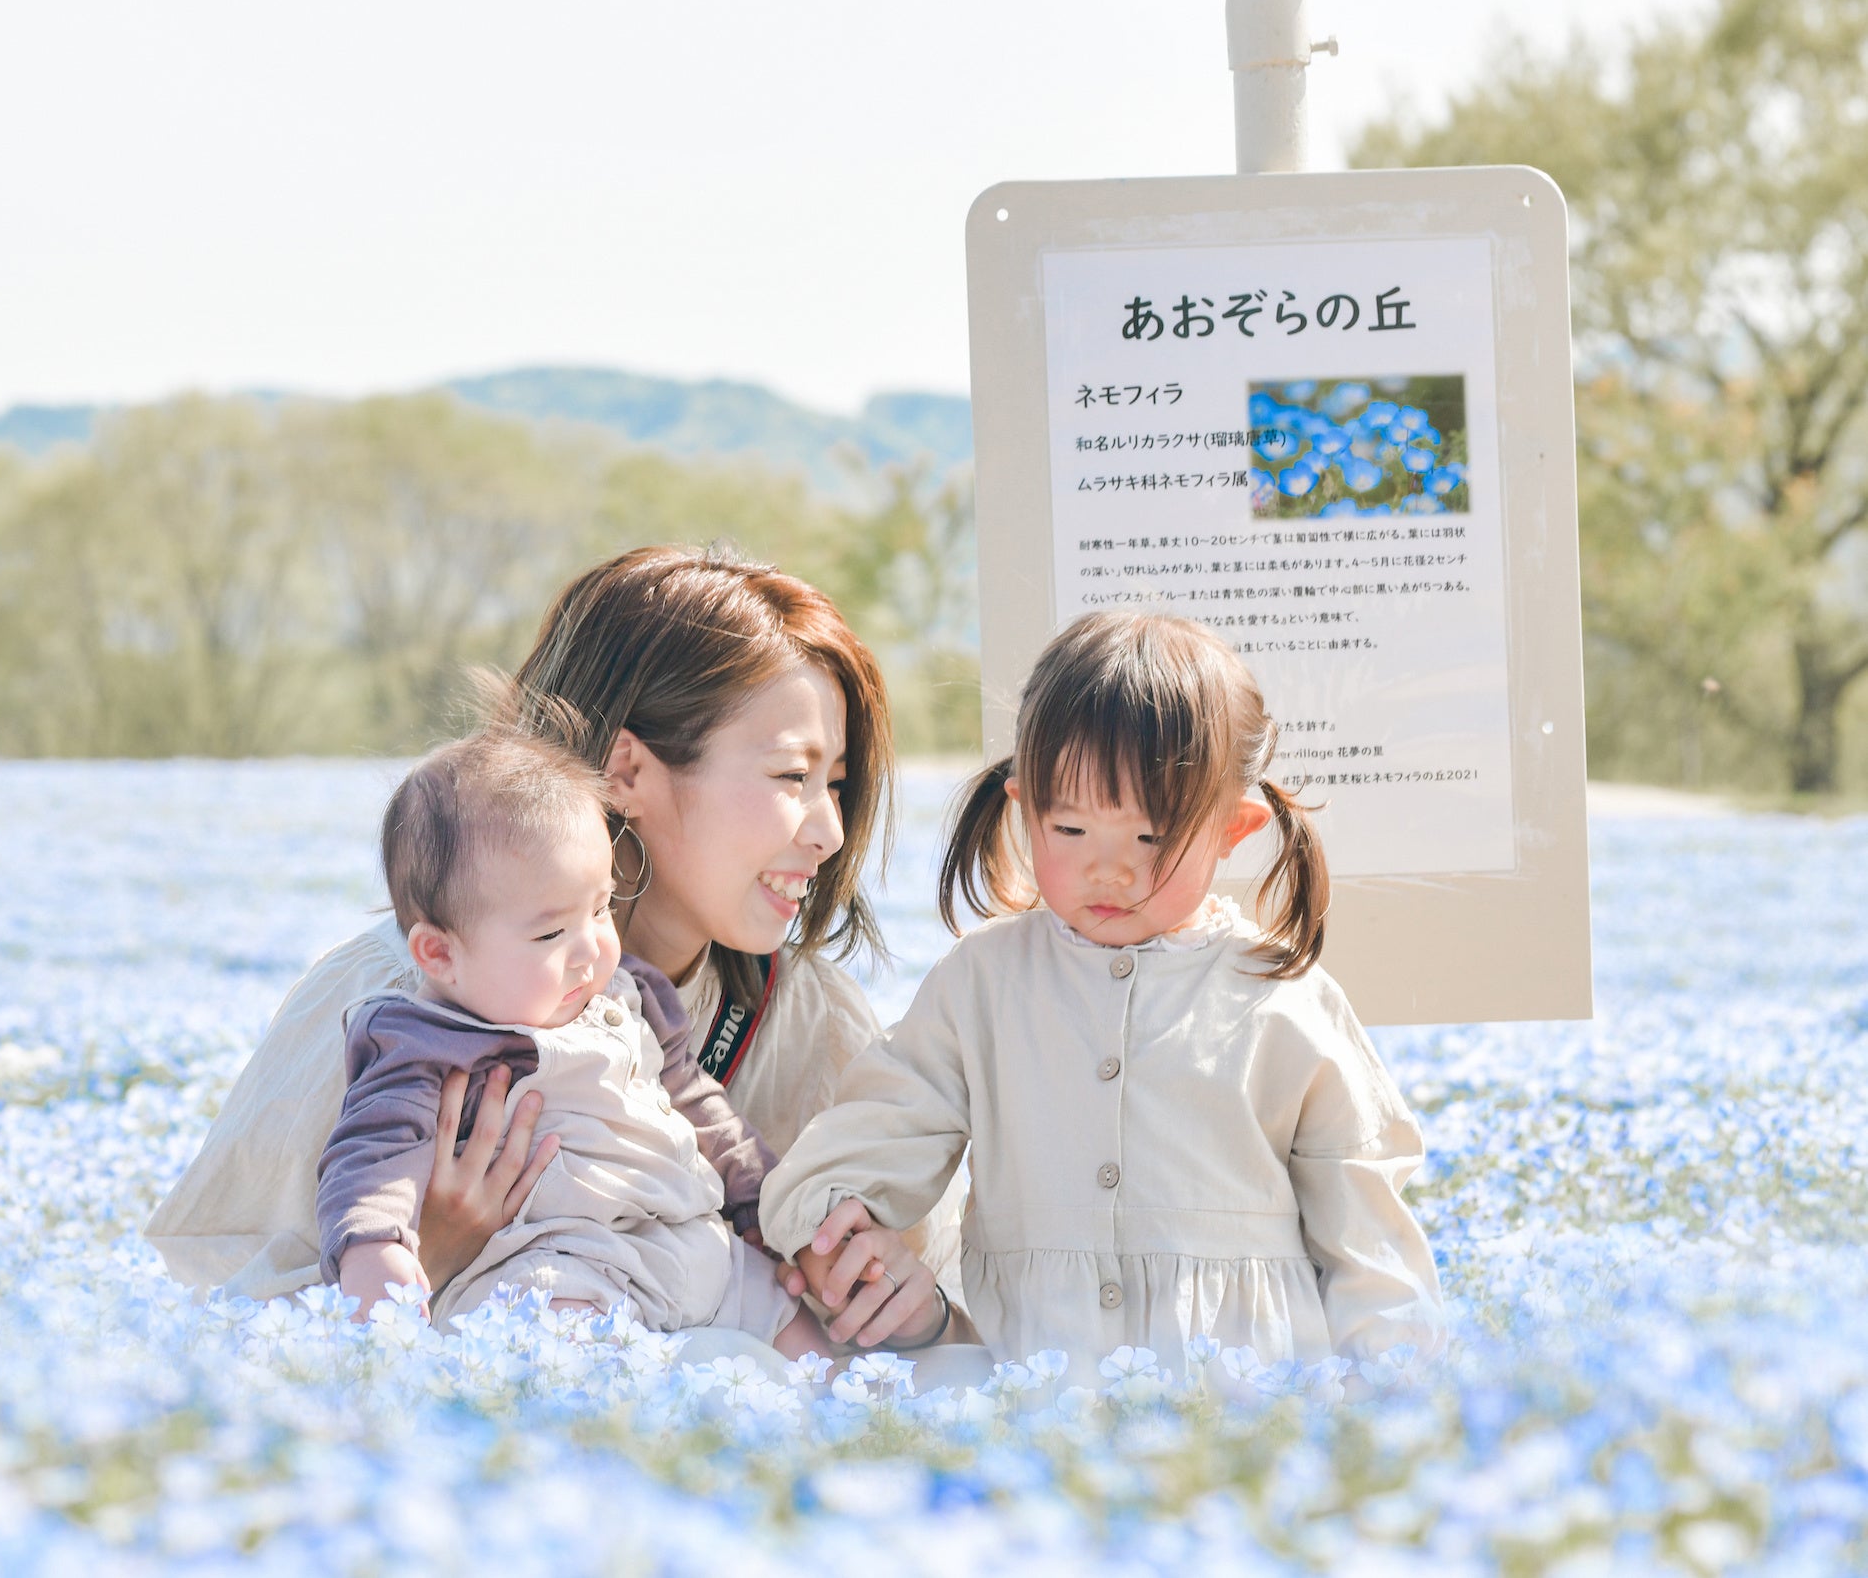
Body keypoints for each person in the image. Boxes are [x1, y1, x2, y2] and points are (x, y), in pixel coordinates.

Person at [144, 546, 963, 1354]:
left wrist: (909, 1311)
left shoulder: (813, 1024)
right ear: (626, 770)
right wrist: (426, 1264)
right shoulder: (388, 995)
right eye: (792, 776)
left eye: (838, 785)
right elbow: (199, 1312)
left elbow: (966, 1337)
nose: (827, 832)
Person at [761, 611, 1447, 1377]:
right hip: (1035, 1396)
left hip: (1246, 1408)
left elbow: (1366, 1232)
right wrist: (827, 1222)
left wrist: (1395, 1388)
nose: (1108, 870)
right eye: (1071, 831)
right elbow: (886, 1120)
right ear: (1025, 810)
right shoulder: (983, 985)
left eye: (1150, 837)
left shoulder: (1284, 998)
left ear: (1234, 828)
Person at [319, 726, 831, 1359]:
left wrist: (759, 1199)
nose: (591, 949)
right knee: (563, 1352)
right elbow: (371, 1158)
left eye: (599, 909)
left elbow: (699, 1105)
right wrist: (377, 1257)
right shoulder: (423, 1042)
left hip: (691, 1242)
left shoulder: (627, 991)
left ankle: (872, 1423)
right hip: (559, 1265)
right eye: (550, 934)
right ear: (440, 953)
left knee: (807, 1334)